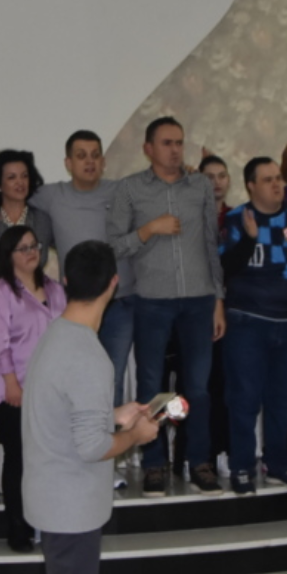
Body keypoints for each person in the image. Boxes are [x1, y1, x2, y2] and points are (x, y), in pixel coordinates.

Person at [23, 242, 159, 574]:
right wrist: (135, 436)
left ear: (65, 282)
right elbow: (92, 447)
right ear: (113, 284)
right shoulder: (88, 355)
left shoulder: (59, 334)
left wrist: (116, 415)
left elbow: (70, 414)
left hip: (51, 493)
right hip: (70, 506)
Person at [106, 116, 226, 497]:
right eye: (167, 143)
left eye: (179, 143)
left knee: (198, 388)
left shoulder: (200, 186)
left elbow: (211, 244)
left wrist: (218, 300)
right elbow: (113, 245)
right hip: (152, 301)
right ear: (148, 148)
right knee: (151, 386)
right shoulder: (130, 189)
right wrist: (148, 230)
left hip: (199, 298)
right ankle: (154, 464)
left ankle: (199, 462)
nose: (175, 150)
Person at [220, 157, 287, 494]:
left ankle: (278, 463)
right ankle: (242, 467)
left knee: (284, 400)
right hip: (248, 323)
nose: (277, 184)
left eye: (278, 178)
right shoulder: (238, 218)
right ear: (251, 185)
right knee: (244, 399)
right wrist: (249, 239)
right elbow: (226, 266)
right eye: (268, 179)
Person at [29, 131, 137, 409]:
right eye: (81, 156)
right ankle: (82, 434)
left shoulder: (122, 191)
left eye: (95, 155)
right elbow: (9, 190)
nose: (89, 162)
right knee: (76, 377)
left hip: (120, 303)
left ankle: (107, 434)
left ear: (103, 162)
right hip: (77, 306)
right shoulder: (52, 195)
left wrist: (187, 175)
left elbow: (159, 191)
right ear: (68, 163)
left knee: (111, 377)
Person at [0, 224, 66, 552]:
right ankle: (17, 527)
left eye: (35, 245)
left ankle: (48, 522)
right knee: (18, 459)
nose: (32, 252)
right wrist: (11, 383)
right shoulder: (0, 293)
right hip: (14, 391)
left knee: (49, 459)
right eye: (23, 248)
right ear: (9, 255)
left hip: (50, 391)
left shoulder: (55, 289)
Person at [0, 150, 55, 287]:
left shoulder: (43, 220)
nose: (20, 182)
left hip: (36, 297)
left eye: (24, 176)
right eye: (11, 177)